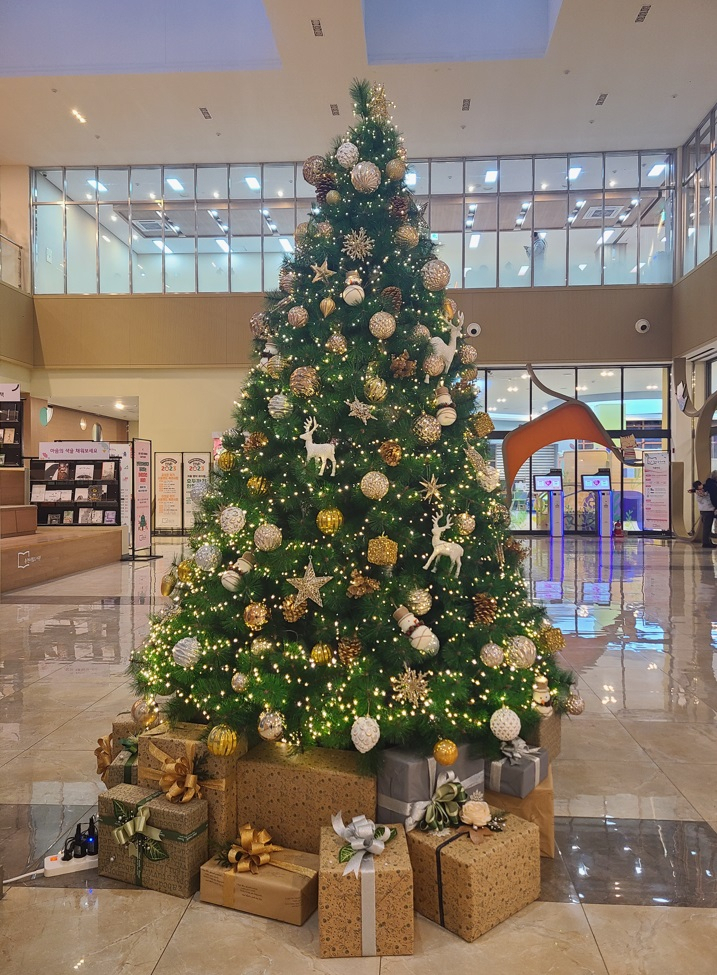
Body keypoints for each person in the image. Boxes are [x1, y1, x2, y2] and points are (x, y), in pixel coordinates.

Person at [690, 479, 715, 548]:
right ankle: (706, 543)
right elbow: (705, 495)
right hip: (707, 510)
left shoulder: (699, 491)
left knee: (707, 527)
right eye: (699, 485)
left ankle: (708, 541)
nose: (701, 486)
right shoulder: (701, 492)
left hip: (704, 510)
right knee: (707, 528)